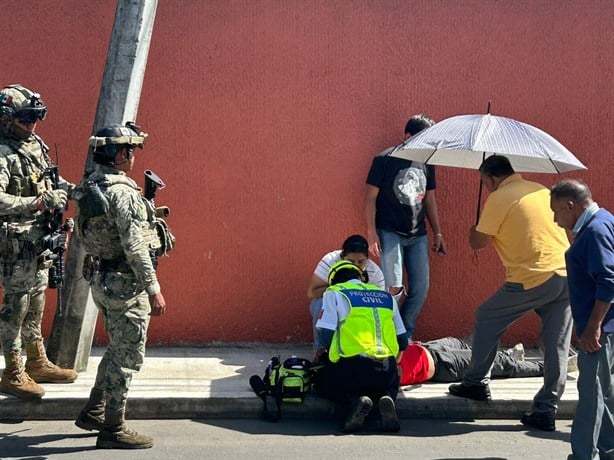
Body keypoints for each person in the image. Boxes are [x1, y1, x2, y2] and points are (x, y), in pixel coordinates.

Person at [448, 155, 573, 433]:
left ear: (490, 179)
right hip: (566, 273)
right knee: (556, 346)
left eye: (484, 182)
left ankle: (476, 383)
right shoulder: (541, 189)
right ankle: (545, 411)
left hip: (532, 276)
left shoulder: (499, 197)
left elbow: (478, 243)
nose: (486, 186)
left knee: (487, 316)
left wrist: (474, 230)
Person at [72, 122, 172, 449]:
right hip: (125, 284)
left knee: (116, 347)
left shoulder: (90, 185)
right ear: (118, 153)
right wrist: (153, 288)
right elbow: (134, 246)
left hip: (102, 279)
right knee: (127, 355)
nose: (132, 157)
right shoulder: (122, 192)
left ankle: (94, 410)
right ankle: (113, 427)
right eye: (129, 150)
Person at [0, 84, 77, 400]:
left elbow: (52, 181)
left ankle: (36, 361)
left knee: (36, 304)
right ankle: (12, 372)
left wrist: (76, 191)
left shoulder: (33, 145)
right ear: (7, 119)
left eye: (35, 118)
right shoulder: (3, 153)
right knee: (15, 308)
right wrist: (36, 203)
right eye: (25, 119)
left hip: (41, 241)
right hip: (17, 245)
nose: (32, 125)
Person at [365, 114, 446, 339]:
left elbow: (429, 199)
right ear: (406, 136)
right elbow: (370, 198)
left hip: (418, 235)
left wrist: (437, 232)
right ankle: (389, 333)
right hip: (389, 233)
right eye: (421, 139)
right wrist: (371, 232)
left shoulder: (427, 162)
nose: (425, 145)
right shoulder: (384, 159)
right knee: (393, 288)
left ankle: (406, 333)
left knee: (420, 289)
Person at [550, 179, 614, 460]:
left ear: (571, 205)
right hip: (608, 327)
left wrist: (593, 327)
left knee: (591, 395)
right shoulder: (604, 219)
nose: (555, 220)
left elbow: (608, 280)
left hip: (601, 329)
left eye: (556, 212)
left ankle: (583, 455)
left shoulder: (594, 232)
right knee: (604, 392)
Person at [314, 260, 408, 433]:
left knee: (322, 382)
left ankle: (355, 401)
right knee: (389, 381)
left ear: (334, 281)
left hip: (351, 368)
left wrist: (322, 353)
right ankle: (385, 398)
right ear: (362, 277)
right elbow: (403, 341)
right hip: (386, 368)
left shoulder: (334, 293)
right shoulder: (386, 297)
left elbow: (325, 335)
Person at [307, 234, 385, 351]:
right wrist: (339, 289)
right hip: (334, 304)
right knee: (319, 303)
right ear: (342, 257)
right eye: (350, 261)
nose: (355, 266)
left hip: (361, 311)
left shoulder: (375, 273)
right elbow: (312, 292)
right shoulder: (330, 260)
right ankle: (320, 351)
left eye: (360, 262)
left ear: (367, 259)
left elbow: (382, 306)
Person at [399, 337, 543, 385]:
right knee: (499, 363)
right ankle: (545, 367)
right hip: (442, 364)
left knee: (458, 343)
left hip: (426, 347)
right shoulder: (382, 374)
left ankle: (507, 356)